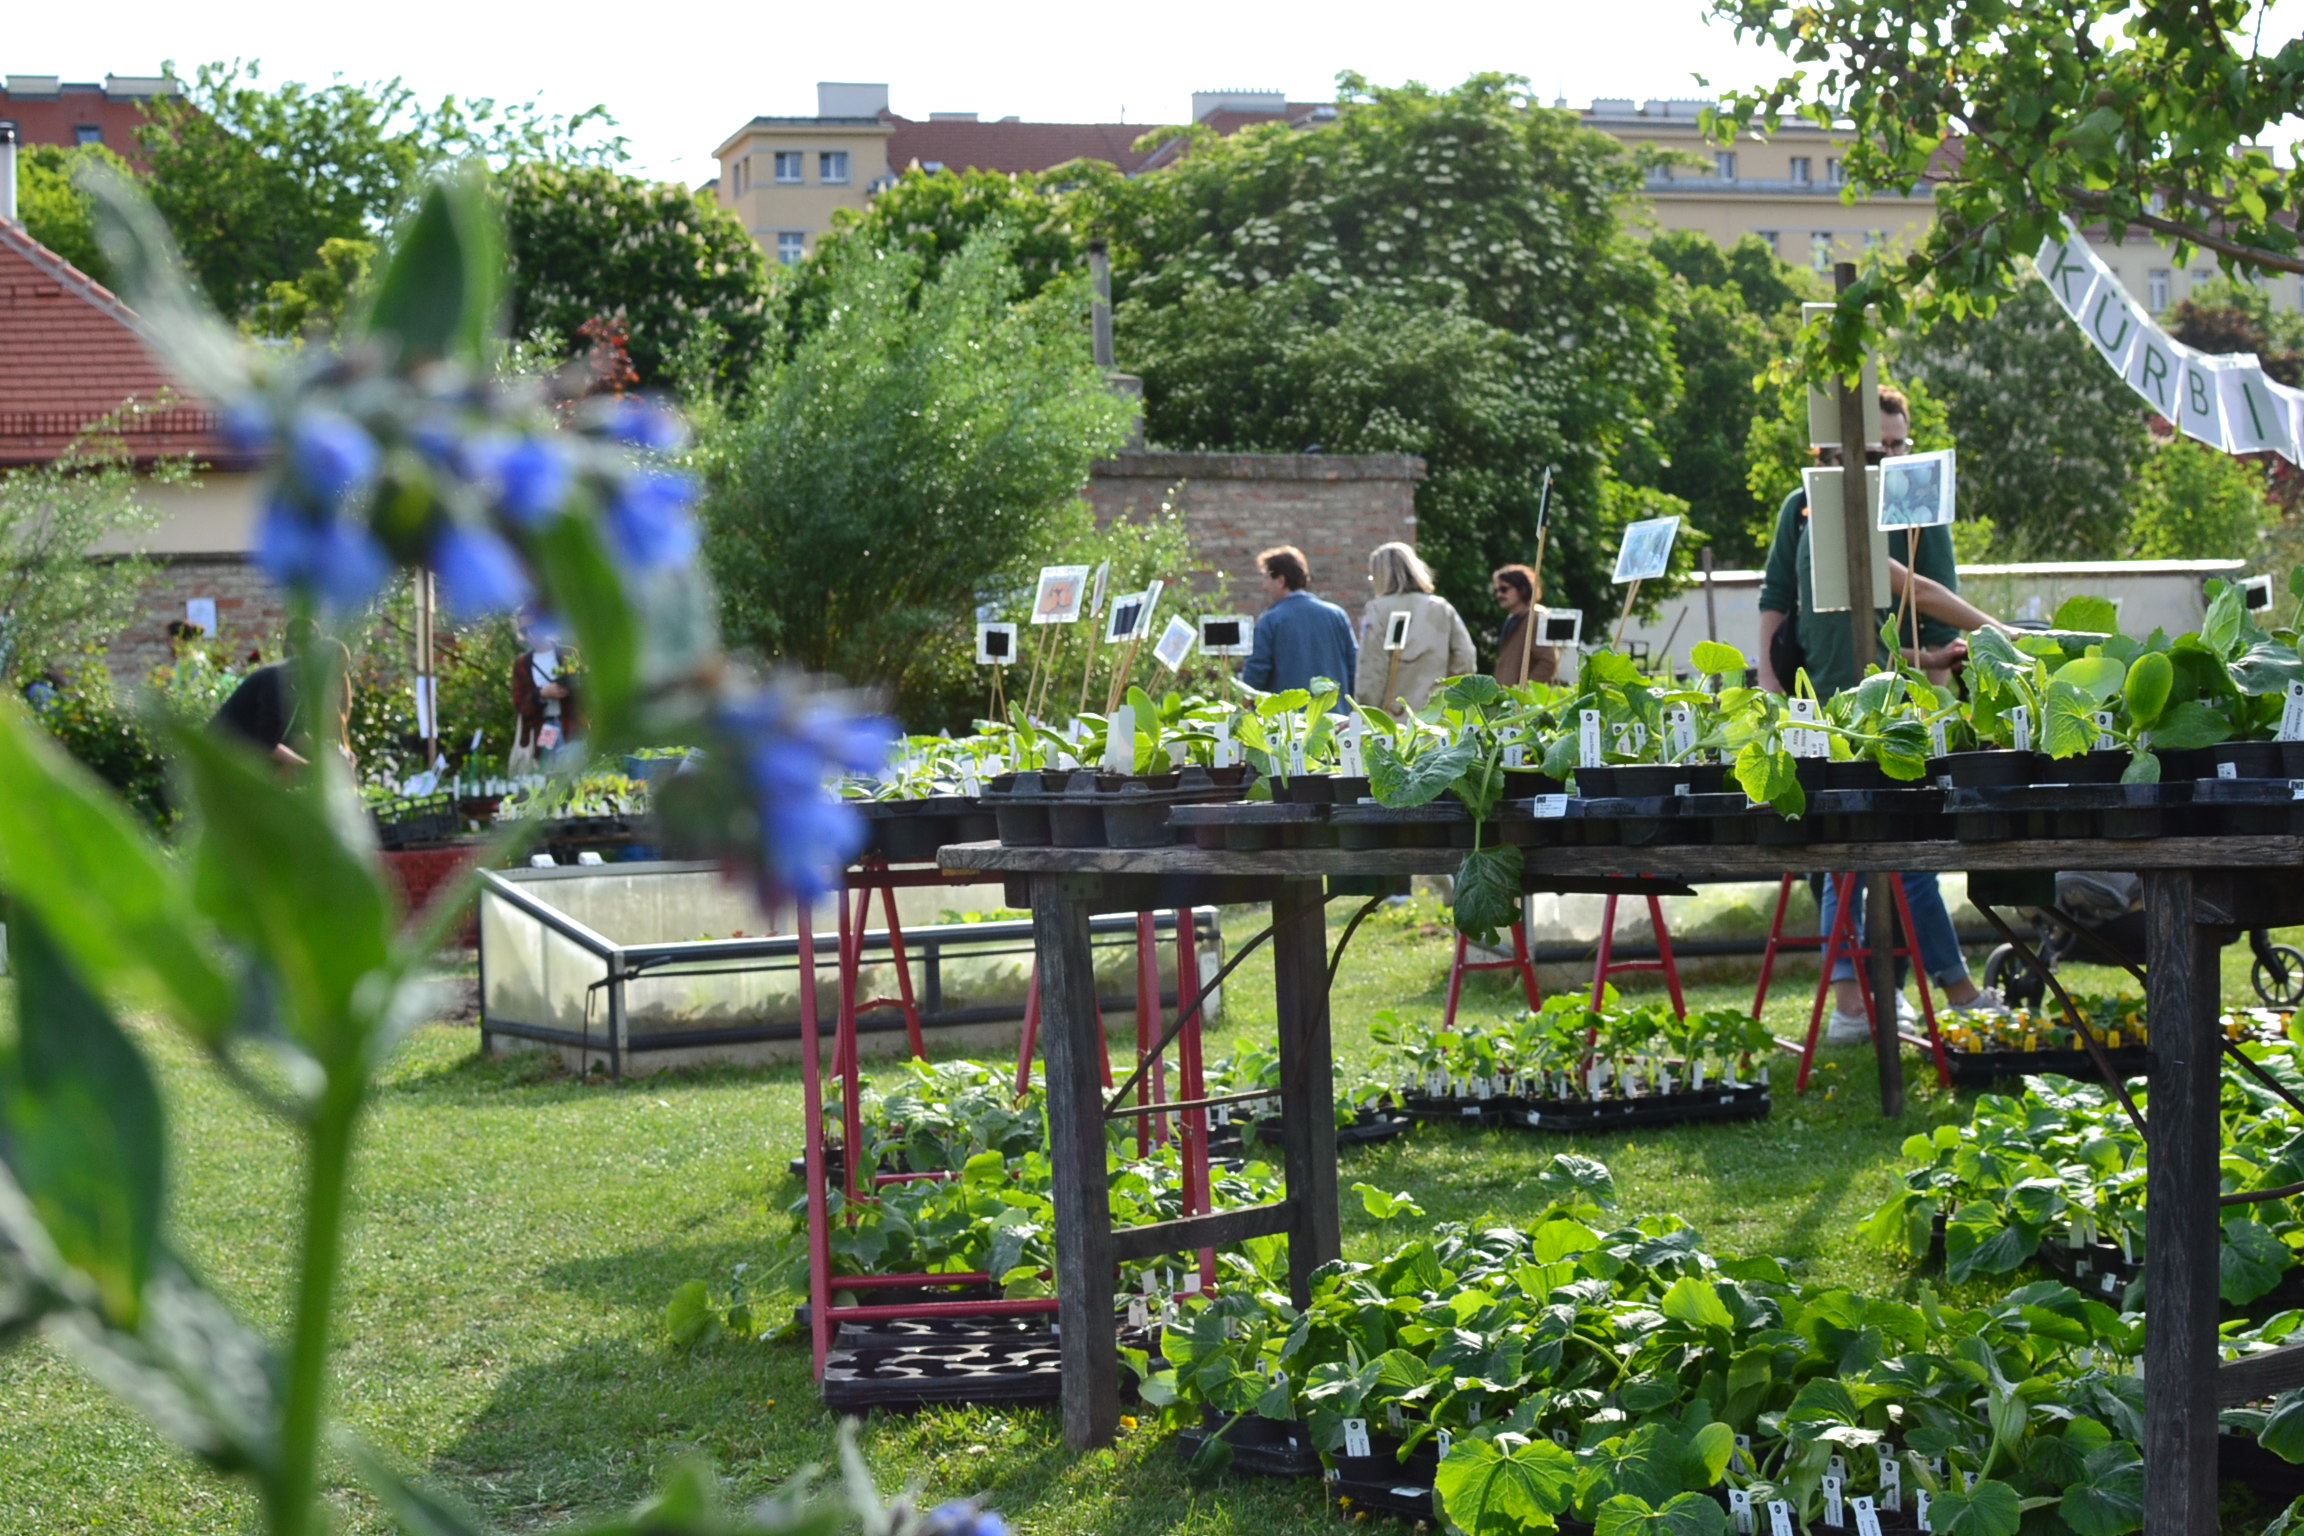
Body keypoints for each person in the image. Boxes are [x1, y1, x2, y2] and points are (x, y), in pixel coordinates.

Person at [1754, 387, 2011, 1039]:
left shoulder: (1886, 507)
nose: (1888, 457)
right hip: (1841, 703)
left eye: (1898, 445)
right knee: (1896, 847)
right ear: (1841, 449)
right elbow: (1913, 591)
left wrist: (1939, 656)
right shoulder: (1822, 508)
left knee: (1860, 846)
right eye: (1876, 448)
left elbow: (1909, 614)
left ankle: (1859, 999)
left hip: (1882, 701)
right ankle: (1937, 992)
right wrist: (2001, 631)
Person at [210, 618, 354, 771]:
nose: (333, 684)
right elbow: (267, 744)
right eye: (333, 676)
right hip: (222, 756)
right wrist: (311, 768)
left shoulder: (299, 683)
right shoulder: (278, 680)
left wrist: (333, 753)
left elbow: (294, 735)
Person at [1355, 543, 1476, 716]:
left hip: (1395, 716)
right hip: (1439, 716)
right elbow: (1465, 659)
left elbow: (1373, 669)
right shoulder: (1442, 608)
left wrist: (1364, 711)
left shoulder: (1378, 609)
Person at [1240, 545, 1358, 697]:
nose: (1264, 586)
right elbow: (1354, 666)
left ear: (1281, 580)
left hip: (1288, 718)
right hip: (1336, 715)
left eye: (1267, 578)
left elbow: (1256, 673)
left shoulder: (1270, 620)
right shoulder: (1337, 615)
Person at [511, 610, 581, 774]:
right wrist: (542, 694)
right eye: (524, 631)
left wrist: (570, 686)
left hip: (571, 726)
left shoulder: (568, 654)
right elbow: (520, 706)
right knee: (547, 780)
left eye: (533, 627)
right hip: (543, 728)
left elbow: (587, 694)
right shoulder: (522, 663)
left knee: (574, 780)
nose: (530, 634)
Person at [1490, 564, 1559, 686]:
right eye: (1497, 590)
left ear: (1522, 589)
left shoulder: (1536, 617)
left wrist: (1525, 690)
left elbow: (1548, 662)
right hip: (1509, 697)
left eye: (1504, 589)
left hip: (1523, 701)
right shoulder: (1513, 618)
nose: (1499, 595)